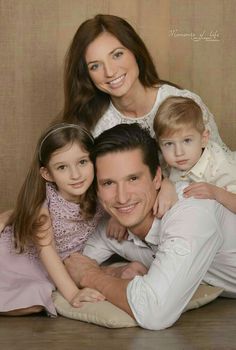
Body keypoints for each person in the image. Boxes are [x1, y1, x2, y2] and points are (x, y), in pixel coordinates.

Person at [64, 123, 236, 331]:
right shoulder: (111, 228)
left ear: (156, 178)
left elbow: (155, 313)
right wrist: (115, 273)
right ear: (97, 189)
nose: (122, 197)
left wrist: (92, 277)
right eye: (108, 183)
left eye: (133, 179)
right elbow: (72, 266)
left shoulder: (192, 211)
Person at [62, 14, 233, 158]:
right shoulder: (92, 124)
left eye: (117, 55)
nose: (110, 71)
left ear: (135, 51)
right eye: (95, 66)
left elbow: (222, 167)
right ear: (86, 75)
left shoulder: (185, 104)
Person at [0, 123, 106, 317]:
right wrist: (73, 294)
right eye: (62, 167)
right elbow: (46, 251)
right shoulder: (45, 207)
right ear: (47, 174)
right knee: (35, 298)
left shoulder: (100, 191)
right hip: (16, 257)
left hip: (49, 267)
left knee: (36, 298)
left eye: (82, 162)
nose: (75, 175)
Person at [153, 96, 236, 213]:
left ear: (204, 138)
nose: (179, 153)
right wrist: (166, 184)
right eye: (169, 144)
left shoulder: (220, 166)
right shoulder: (166, 163)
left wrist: (217, 193)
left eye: (187, 141)